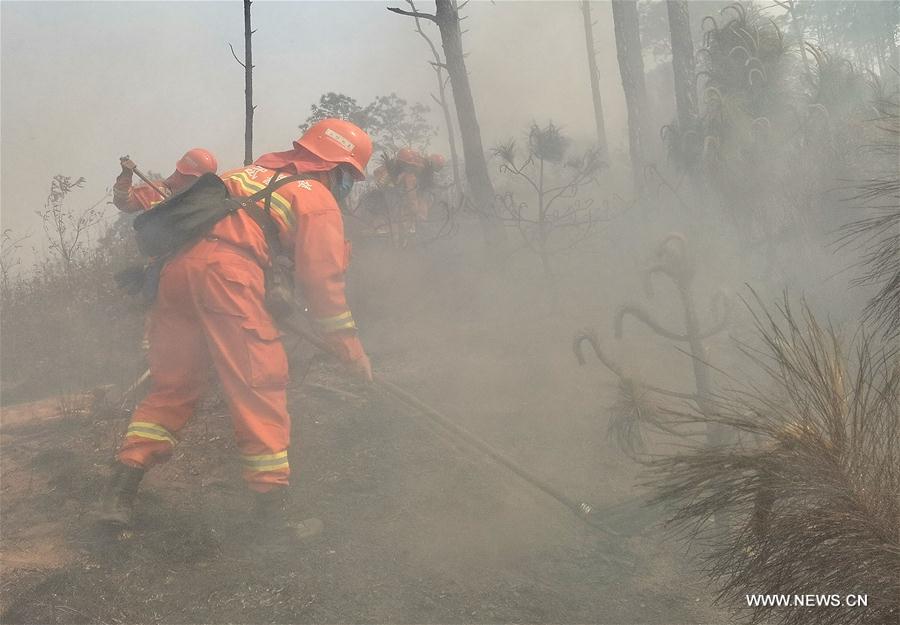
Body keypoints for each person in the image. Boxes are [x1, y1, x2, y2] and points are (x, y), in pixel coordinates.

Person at [99, 119, 373, 540]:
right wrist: (349, 346)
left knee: (173, 388)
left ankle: (117, 494)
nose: (346, 187)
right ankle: (273, 518)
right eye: (349, 178)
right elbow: (323, 281)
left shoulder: (240, 174)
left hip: (174, 278)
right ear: (334, 166)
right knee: (258, 384)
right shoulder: (312, 195)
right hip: (227, 278)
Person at [113, 148, 218, 212]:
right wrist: (126, 176)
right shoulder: (154, 193)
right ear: (188, 176)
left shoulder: (203, 204)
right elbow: (124, 204)